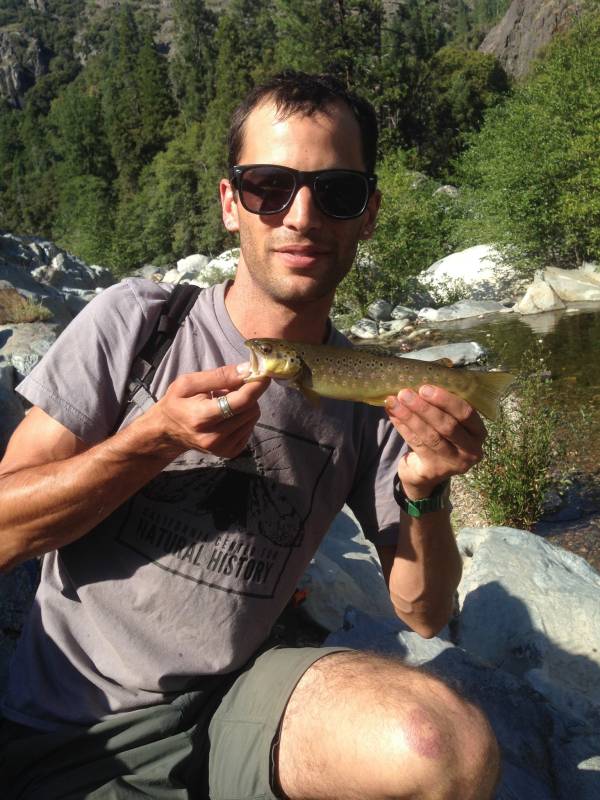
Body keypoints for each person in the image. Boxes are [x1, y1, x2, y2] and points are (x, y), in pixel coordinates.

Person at [0, 71, 500, 799]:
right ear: (231, 204)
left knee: (443, 747)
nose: (300, 216)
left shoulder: (372, 389)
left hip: (244, 701)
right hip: (74, 725)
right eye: (269, 185)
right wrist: (154, 438)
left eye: (336, 192)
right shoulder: (136, 325)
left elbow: (424, 614)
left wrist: (426, 491)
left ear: (369, 213)